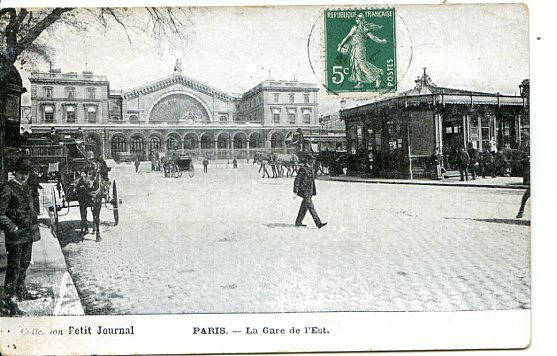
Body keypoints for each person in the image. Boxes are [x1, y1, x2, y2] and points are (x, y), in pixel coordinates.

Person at [0, 157, 41, 316]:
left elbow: (31, 210)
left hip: (27, 234)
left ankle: (21, 291)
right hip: (15, 236)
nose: (24, 177)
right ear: (14, 173)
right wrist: (13, 227)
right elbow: (1, 213)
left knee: (24, 263)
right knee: (14, 266)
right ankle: (9, 298)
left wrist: (35, 224)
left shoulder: (28, 188)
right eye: (21, 173)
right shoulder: (8, 188)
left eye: (26, 174)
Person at [337, 13, 387, 89]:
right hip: (354, 48)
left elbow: (373, 37)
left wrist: (381, 41)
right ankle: (360, 82)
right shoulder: (355, 28)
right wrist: (341, 45)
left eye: (357, 19)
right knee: (356, 65)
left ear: (360, 20)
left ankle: (377, 77)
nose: (356, 20)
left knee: (362, 66)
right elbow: (348, 36)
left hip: (360, 48)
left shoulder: (363, 28)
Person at [293, 160, 327, 229]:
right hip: (305, 191)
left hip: (309, 191)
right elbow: (297, 180)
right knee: (311, 207)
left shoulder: (310, 168)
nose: (313, 161)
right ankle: (318, 223)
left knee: (304, 206)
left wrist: (313, 191)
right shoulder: (303, 168)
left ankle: (298, 222)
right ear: (308, 161)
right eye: (312, 160)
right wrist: (295, 191)